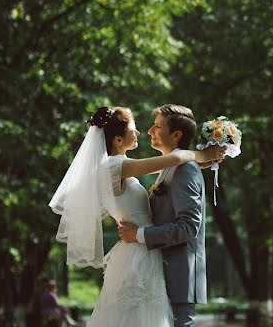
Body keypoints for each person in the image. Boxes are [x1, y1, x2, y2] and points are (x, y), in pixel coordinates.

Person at [49, 106, 223, 327]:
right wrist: (201, 155)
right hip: (138, 253)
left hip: (142, 252)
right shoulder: (115, 167)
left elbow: (171, 165)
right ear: (119, 140)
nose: (143, 131)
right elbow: (177, 158)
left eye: (156, 126)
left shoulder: (118, 168)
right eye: (134, 128)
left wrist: (200, 162)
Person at [117, 104, 208, 327]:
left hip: (178, 275)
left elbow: (188, 227)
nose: (150, 131)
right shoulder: (171, 167)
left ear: (176, 135)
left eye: (157, 126)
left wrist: (138, 234)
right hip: (159, 273)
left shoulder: (185, 169)